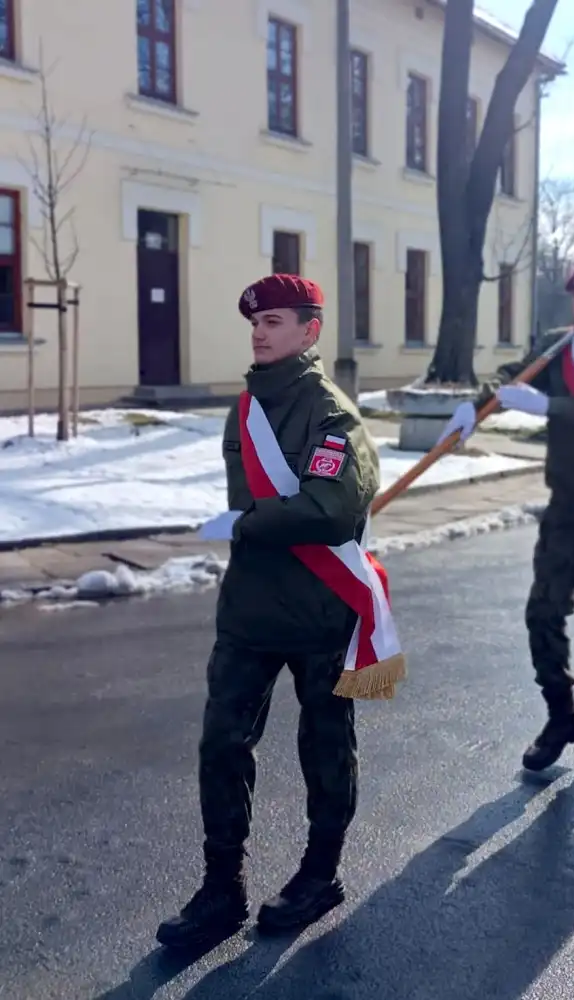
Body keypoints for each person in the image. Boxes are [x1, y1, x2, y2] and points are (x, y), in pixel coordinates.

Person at [157, 274, 382, 949]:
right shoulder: (245, 408)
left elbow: (333, 507)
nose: (260, 331)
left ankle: (321, 872)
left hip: (319, 612)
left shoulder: (333, 415)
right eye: (256, 322)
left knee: (324, 744)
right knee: (222, 745)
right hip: (249, 613)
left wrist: (246, 524)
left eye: (277, 321)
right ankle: (222, 888)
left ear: (311, 330)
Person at [440, 250, 574, 779]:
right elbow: (512, 375)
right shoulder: (560, 346)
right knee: (543, 611)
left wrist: (550, 407)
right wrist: (479, 402)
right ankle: (561, 715)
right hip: (567, 507)